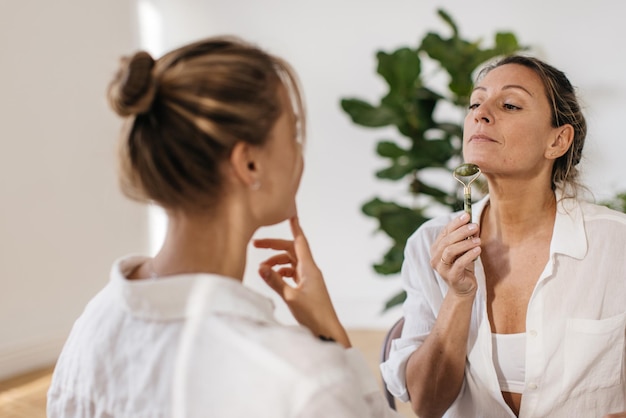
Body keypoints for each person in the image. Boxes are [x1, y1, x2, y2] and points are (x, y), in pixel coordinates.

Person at [47, 36, 401, 418]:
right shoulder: (303, 382)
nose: (300, 152)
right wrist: (333, 338)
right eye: (293, 134)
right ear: (249, 163)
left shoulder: (95, 322)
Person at [381, 54, 626, 418]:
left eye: (509, 104)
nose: (480, 113)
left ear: (558, 141)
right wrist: (458, 296)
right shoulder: (428, 243)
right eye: (475, 103)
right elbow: (427, 405)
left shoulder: (616, 246)